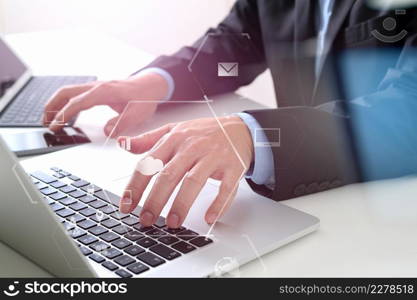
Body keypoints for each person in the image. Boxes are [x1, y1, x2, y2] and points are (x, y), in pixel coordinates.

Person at [43, 0, 417, 229]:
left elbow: (407, 109)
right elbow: (234, 48)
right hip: (303, 205)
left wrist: (256, 135)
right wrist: (158, 83)